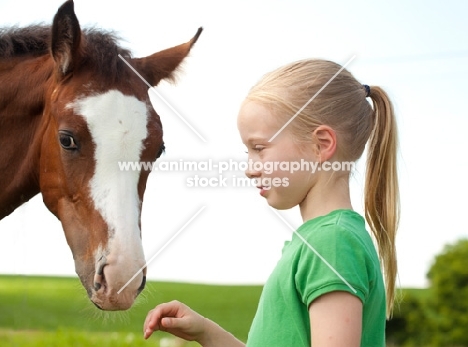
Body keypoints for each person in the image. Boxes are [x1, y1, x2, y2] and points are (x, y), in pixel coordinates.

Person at [143, 59, 399, 346]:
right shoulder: (323, 240)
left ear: (322, 144)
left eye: (259, 148)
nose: (249, 168)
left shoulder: (333, 243)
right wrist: (206, 333)